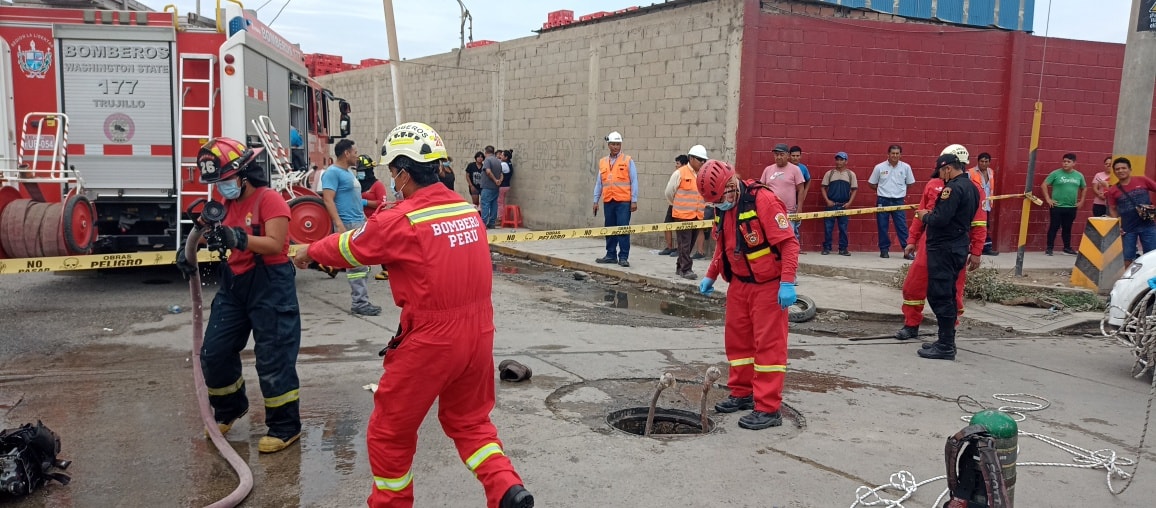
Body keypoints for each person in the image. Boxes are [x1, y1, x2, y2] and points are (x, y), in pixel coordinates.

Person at [292, 122, 533, 508]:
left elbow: (352, 247)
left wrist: (310, 252)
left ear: (404, 171)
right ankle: (506, 488)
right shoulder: (466, 211)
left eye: (393, 172)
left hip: (430, 339)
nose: (391, 179)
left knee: (390, 431)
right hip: (478, 333)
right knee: (470, 422)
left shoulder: (403, 220)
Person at [177, 137, 302, 453]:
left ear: (245, 173)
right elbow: (202, 233)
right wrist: (187, 249)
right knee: (214, 352)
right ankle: (230, 408)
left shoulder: (268, 199)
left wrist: (238, 238)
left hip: (270, 285)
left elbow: (276, 244)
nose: (222, 187)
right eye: (217, 182)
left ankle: (285, 427)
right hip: (235, 285)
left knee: (273, 357)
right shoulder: (223, 204)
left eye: (226, 180)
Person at [696, 160, 800, 430]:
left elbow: (789, 244)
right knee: (738, 343)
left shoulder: (763, 201)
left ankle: (768, 408)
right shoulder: (725, 207)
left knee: (768, 347)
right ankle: (742, 393)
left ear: (731, 186)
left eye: (719, 200)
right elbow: (724, 246)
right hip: (739, 286)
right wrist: (711, 274)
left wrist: (787, 283)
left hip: (768, 286)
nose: (717, 206)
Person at [896, 144, 986, 342]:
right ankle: (911, 325)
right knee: (913, 286)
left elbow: (978, 223)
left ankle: (947, 335)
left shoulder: (970, 188)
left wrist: (977, 250)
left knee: (951, 291)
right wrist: (912, 240)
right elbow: (920, 214)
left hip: (950, 247)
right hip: (930, 246)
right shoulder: (933, 185)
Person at [914, 153, 980, 361]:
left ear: (948, 169)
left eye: (942, 172)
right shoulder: (973, 187)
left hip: (945, 248)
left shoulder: (952, 189)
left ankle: (945, 346)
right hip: (957, 245)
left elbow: (941, 218)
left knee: (940, 295)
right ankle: (945, 340)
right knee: (948, 294)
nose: (941, 176)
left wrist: (925, 215)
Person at [322, 139, 381, 316]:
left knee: (361, 263)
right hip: (347, 224)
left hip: (358, 222)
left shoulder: (348, 173)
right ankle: (360, 303)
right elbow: (328, 199)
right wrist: (339, 224)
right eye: (354, 152)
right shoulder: (332, 173)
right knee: (356, 265)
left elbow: (354, 200)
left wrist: (364, 219)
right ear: (346, 153)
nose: (357, 155)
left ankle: (361, 300)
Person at [593, 131, 638, 267]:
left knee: (622, 229)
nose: (615, 147)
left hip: (623, 201)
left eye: (618, 144)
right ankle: (610, 255)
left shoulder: (627, 160)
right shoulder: (603, 162)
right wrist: (595, 200)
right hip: (609, 201)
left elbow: (634, 180)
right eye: (613, 144)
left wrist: (634, 200)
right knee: (610, 228)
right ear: (608, 145)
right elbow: (599, 183)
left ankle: (623, 257)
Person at [664, 145, 706, 279]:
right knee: (685, 243)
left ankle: (679, 266)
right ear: (691, 158)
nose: (702, 163)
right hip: (682, 215)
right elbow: (669, 193)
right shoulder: (680, 173)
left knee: (689, 244)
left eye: (704, 160)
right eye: (700, 160)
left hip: (697, 215)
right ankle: (686, 269)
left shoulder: (703, 175)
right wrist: (677, 205)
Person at [1106, 157, 1156, 269]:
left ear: (1130, 169)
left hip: (1148, 225)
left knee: (1152, 255)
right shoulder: (1113, 190)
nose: (1120, 171)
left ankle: (1150, 281)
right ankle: (1128, 281)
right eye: (1117, 169)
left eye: (1124, 168)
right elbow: (1112, 208)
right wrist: (1116, 226)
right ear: (1114, 172)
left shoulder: (1142, 180)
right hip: (1128, 229)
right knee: (1128, 257)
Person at [869, 145, 916, 259]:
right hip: (882, 200)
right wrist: (882, 190)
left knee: (902, 226)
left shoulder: (906, 167)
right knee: (882, 226)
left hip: (898, 201)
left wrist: (899, 191)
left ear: (900, 155)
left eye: (897, 153)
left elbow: (910, 183)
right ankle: (884, 250)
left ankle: (907, 251)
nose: (895, 155)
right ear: (888, 154)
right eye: (893, 153)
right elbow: (872, 183)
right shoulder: (879, 167)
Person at [1041, 153, 1087, 256]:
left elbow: (1084, 188)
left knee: (1067, 228)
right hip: (1057, 206)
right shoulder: (1055, 173)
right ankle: (1049, 248)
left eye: (1068, 162)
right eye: (1064, 161)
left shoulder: (1079, 175)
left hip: (1071, 207)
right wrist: (1048, 199)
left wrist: (1082, 201)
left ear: (1074, 163)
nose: (1065, 163)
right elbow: (1044, 185)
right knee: (1054, 226)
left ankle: (1067, 247)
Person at [760, 143, 805, 239]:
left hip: (788, 212)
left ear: (788, 155)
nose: (778, 157)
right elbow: (761, 188)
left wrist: (799, 208)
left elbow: (801, 189)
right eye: (776, 154)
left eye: (781, 154)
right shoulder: (768, 169)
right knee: (772, 238)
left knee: (789, 239)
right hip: (771, 211)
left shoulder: (795, 169)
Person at [359, 154, 390, 281]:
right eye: (358, 171)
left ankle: (387, 269)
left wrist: (365, 202)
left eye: (362, 171)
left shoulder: (377, 185)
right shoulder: (357, 185)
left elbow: (382, 203)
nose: (360, 174)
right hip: (361, 220)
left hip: (376, 220)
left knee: (380, 246)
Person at [820, 152, 857, 256]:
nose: (839, 162)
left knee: (843, 228)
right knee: (828, 228)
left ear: (846, 161)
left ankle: (843, 249)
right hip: (831, 206)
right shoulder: (830, 173)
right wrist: (827, 201)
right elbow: (823, 187)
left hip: (843, 206)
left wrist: (849, 203)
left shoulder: (850, 174)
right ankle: (827, 248)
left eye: (842, 159)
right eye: (837, 159)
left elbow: (854, 190)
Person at [658, 155, 690, 256]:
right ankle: (669, 247)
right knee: (667, 224)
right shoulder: (676, 174)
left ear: (684, 164)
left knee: (680, 229)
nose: (676, 166)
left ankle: (680, 250)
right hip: (673, 204)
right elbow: (669, 191)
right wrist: (673, 202)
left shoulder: (689, 175)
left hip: (683, 207)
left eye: (678, 164)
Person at [969, 152, 997, 255]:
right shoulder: (970, 172)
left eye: (986, 161)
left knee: (985, 226)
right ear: (978, 161)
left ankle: (984, 247)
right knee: (973, 226)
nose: (983, 164)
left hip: (987, 204)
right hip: (975, 204)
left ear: (989, 162)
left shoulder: (991, 172)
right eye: (981, 161)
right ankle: (973, 247)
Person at [789, 145, 811, 241]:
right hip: (788, 197)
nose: (795, 158)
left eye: (797, 156)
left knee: (797, 222)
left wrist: (804, 192)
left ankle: (795, 244)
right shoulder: (786, 167)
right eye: (793, 156)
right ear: (789, 156)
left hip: (798, 197)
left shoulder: (803, 168)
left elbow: (808, 180)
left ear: (800, 156)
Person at [480, 146, 504, 228]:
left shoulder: (487, 160)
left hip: (487, 186)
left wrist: (494, 180)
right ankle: (492, 223)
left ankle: (483, 223)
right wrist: (499, 181)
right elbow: (501, 174)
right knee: (494, 204)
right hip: (495, 187)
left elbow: (488, 172)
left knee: (485, 204)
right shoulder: (498, 161)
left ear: (486, 152)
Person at [497, 150, 513, 217]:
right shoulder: (509, 163)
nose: (500, 156)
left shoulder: (503, 164)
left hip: (502, 185)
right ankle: (503, 217)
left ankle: (500, 217)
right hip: (506, 185)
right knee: (502, 202)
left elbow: (497, 171)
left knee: (499, 202)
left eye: (502, 155)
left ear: (506, 157)